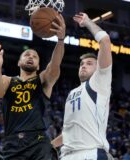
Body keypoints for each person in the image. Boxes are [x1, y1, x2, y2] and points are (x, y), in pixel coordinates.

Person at [0, 14, 65, 160]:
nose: (30, 57)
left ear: (38, 66)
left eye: (35, 56)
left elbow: (54, 66)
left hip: (38, 141)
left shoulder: (42, 79)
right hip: (12, 143)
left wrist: (61, 40)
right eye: (27, 55)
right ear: (19, 62)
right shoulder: (7, 80)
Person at [51, 12, 113, 160]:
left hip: (91, 153)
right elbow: (68, 133)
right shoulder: (72, 93)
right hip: (66, 155)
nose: (83, 66)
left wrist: (87, 22)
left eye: (89, 63)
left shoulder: (99, 82)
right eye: (81, 64)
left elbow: (105, 41)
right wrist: (50, 145)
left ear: (98, 68)